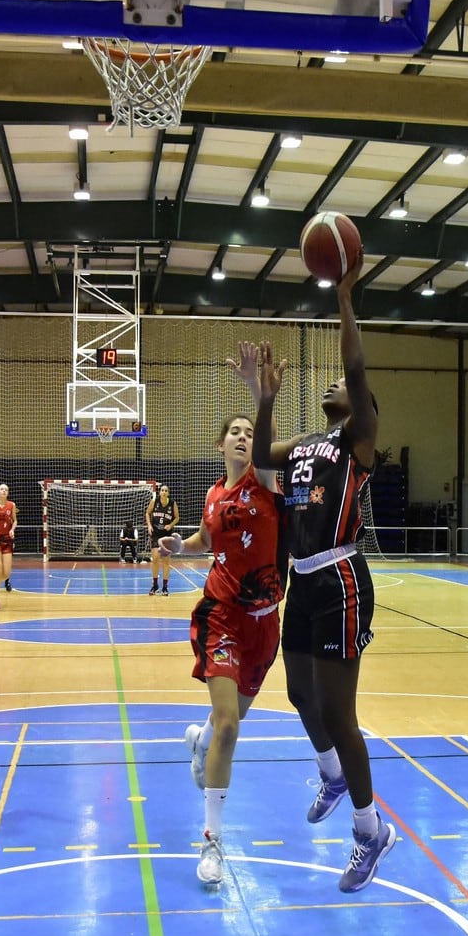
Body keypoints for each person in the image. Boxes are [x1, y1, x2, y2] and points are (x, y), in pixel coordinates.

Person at [252, 259, 397, 894]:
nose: (333, 384)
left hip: (340, 580)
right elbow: (260, 455)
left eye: (341, 381)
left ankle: (371, 831)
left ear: (361, 405)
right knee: (300, 699)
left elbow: (358, 369)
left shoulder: (356, 443)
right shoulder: (308, 444)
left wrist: (344, 297)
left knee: (341, 715)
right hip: (303, 582)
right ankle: (334, 776)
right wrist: (266, 401)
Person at [163, 344, 286, 885]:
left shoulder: (265, 479)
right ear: (220, 444)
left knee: (226, 726)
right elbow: (204, 539)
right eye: (232, 431)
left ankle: (201, 742)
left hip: (266, 623)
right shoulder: (214, 494)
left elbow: (265, 440)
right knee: (231, 726)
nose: (241, 435)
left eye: (246, 430)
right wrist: (179, 547)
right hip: (220, 614)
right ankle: (212, 841)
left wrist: (260, 394)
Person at [146, 484, 180, 596]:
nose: (164, 492)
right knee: (155, 558)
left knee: (166, 561)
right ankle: (155, 585)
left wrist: (170, 525)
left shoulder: (172, 503)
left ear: (168, 493)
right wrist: (149, 526)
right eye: (162, 490)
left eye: (166, 490)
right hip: (156, 533)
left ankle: (165, 587)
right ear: (159, 492)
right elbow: (147, 513)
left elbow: (177, 517)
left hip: (167, 536)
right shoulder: (154, 501)